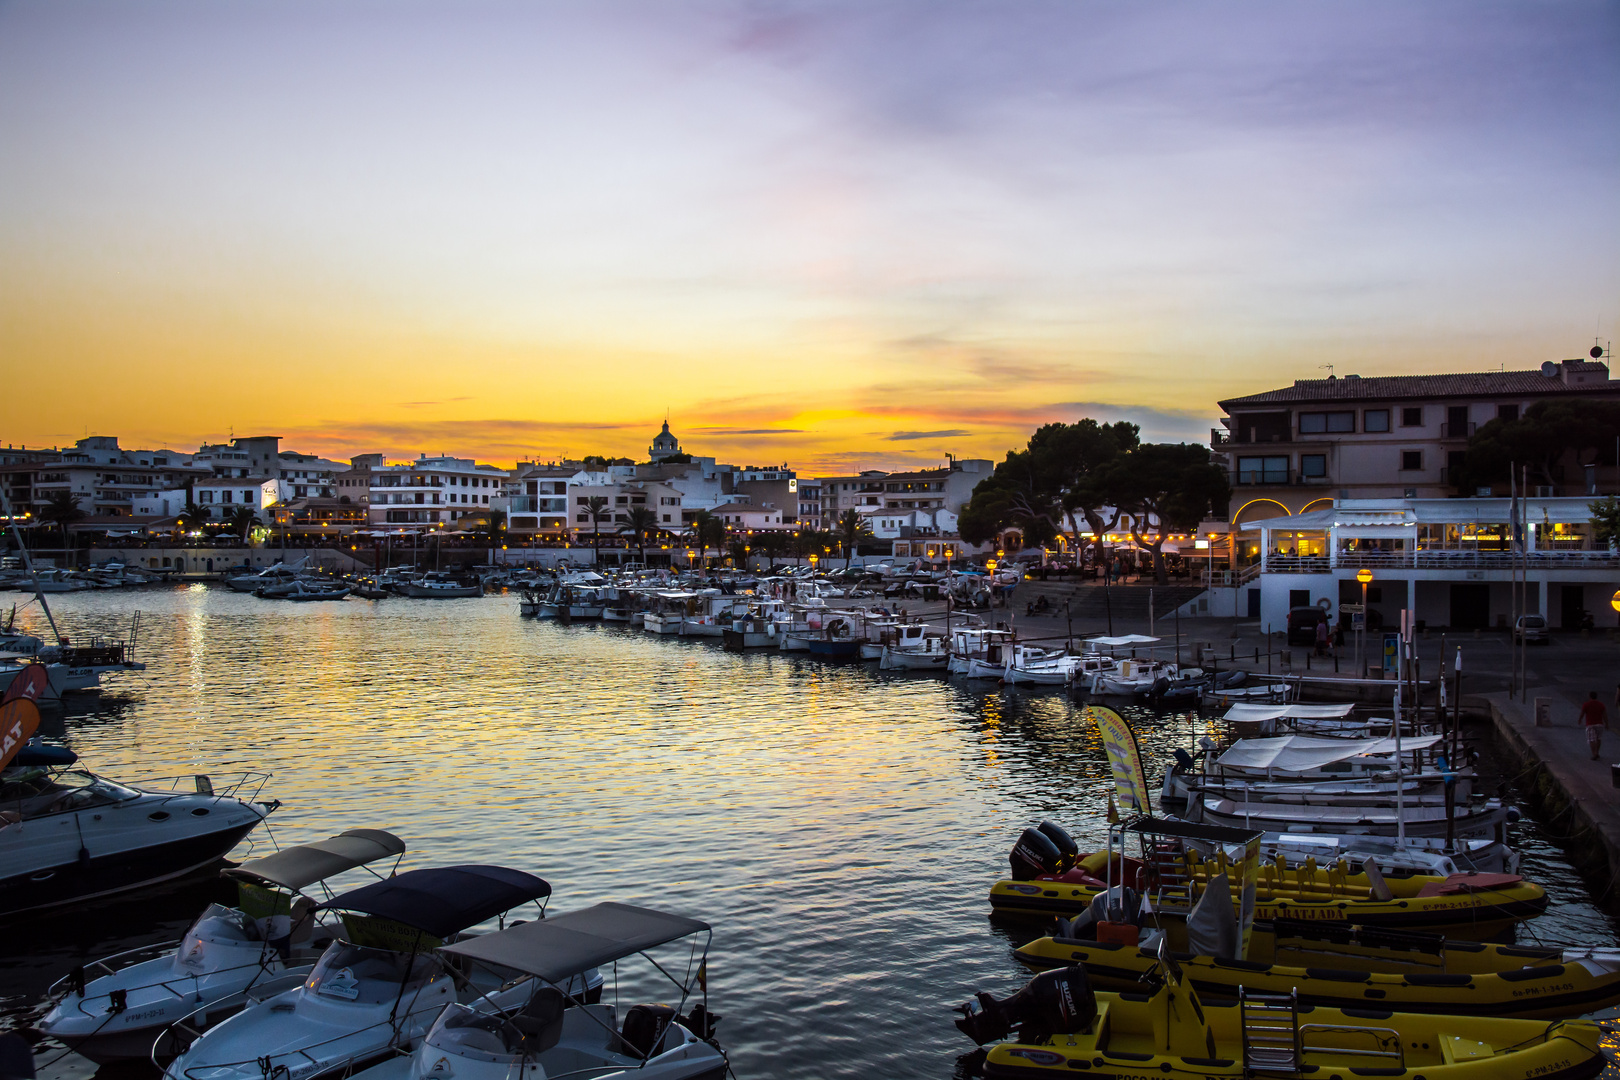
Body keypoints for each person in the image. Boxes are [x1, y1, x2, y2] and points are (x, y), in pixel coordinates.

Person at [1579, 691, 1610, 760]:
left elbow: (1582, 713)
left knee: (1592, 739)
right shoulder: (1601, 705)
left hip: (1590, 724)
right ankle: (1597, 752)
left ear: (1590, 696)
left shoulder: (1586, 704)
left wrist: (1580, 720)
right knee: (1598, 739)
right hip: (1599, 724)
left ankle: (1594, 753)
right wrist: (1607, 724)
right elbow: (1604, 715)